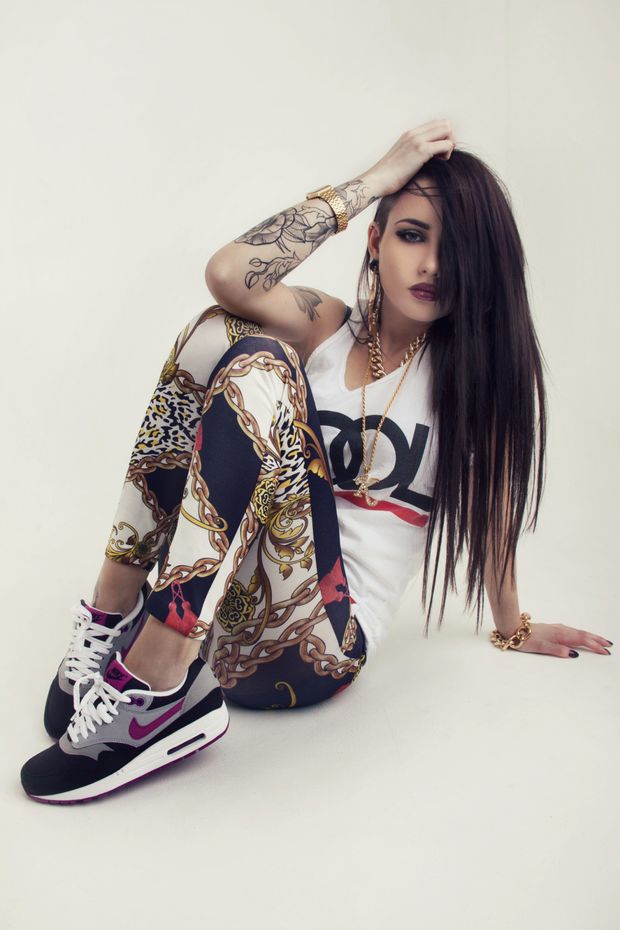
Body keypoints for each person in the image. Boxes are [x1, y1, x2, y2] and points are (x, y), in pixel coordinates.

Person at [20, 119, 613, 804]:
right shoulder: (327, 327)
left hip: (318, 648)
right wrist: (374, 181)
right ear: (375, 242)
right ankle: (113, 613)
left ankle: (154, 684)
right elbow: (229, 274)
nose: (432, 265)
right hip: (222, 618)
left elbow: (494, 512)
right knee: (218, 328)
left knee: (263, 362)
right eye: (412, 235)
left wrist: (512, 624)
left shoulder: (472, 382)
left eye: (456, 249)